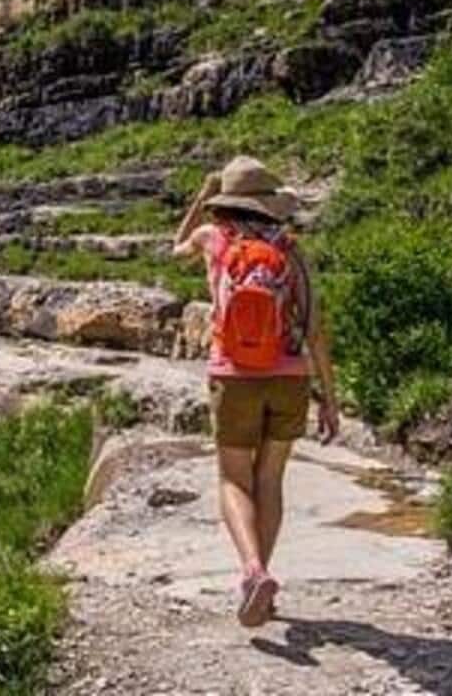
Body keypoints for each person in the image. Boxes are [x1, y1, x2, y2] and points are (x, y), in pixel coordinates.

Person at [173, 155, 341, 628]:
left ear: (224, 202)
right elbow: (315, 329)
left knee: (232, 479)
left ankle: (252, 570)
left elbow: (173, 248)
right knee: (270, 480)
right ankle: (261, 586)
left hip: (233, 375)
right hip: (289, 377)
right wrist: (329, 398)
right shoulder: (289, 250)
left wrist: (199, 201)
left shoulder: (213, 239)